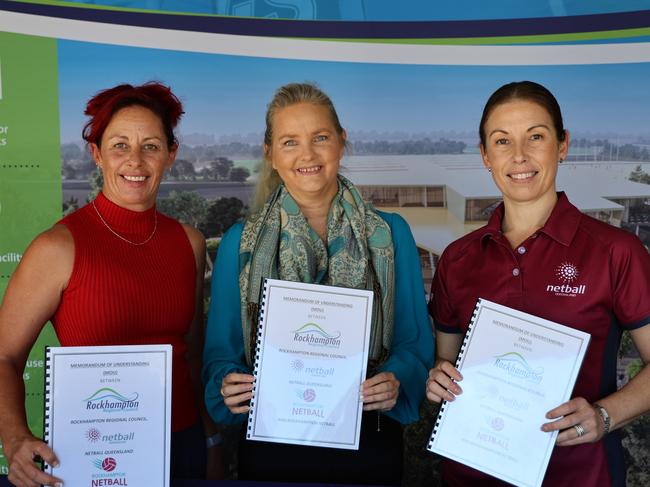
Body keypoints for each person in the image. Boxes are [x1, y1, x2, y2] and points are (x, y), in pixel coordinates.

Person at [202, 82, 434, 484]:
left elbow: (413, 342)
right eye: (290, 142)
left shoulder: (391, 234)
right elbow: (220, 355)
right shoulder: (239, 244)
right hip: (273, 447)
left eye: (320, 138)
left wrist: (396, 378)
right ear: (270, 154)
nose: (307, 154)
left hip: (370, 443)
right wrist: (227, 384)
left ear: (342, 143)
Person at [426, 80, 650, 486]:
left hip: (582, 474)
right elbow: (446, 365)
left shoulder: (616, 251)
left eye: (536, 137)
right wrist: (438, 378)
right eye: (501, 141)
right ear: (485, 156)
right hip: (472, 472)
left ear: (562, 145)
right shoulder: (457, 260)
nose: (519, 156)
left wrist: (604, 416)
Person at [0, 82, 222, 487]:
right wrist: (14, 438)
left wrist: (209, 441)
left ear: (170, 155)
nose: (135, 160)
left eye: (151, 146)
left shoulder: (188, 242)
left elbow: (190, 359)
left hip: (182, 448)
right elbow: (5, 358)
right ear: (97, 154)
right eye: (120, 145)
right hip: (94, 453)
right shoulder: (58, 246)